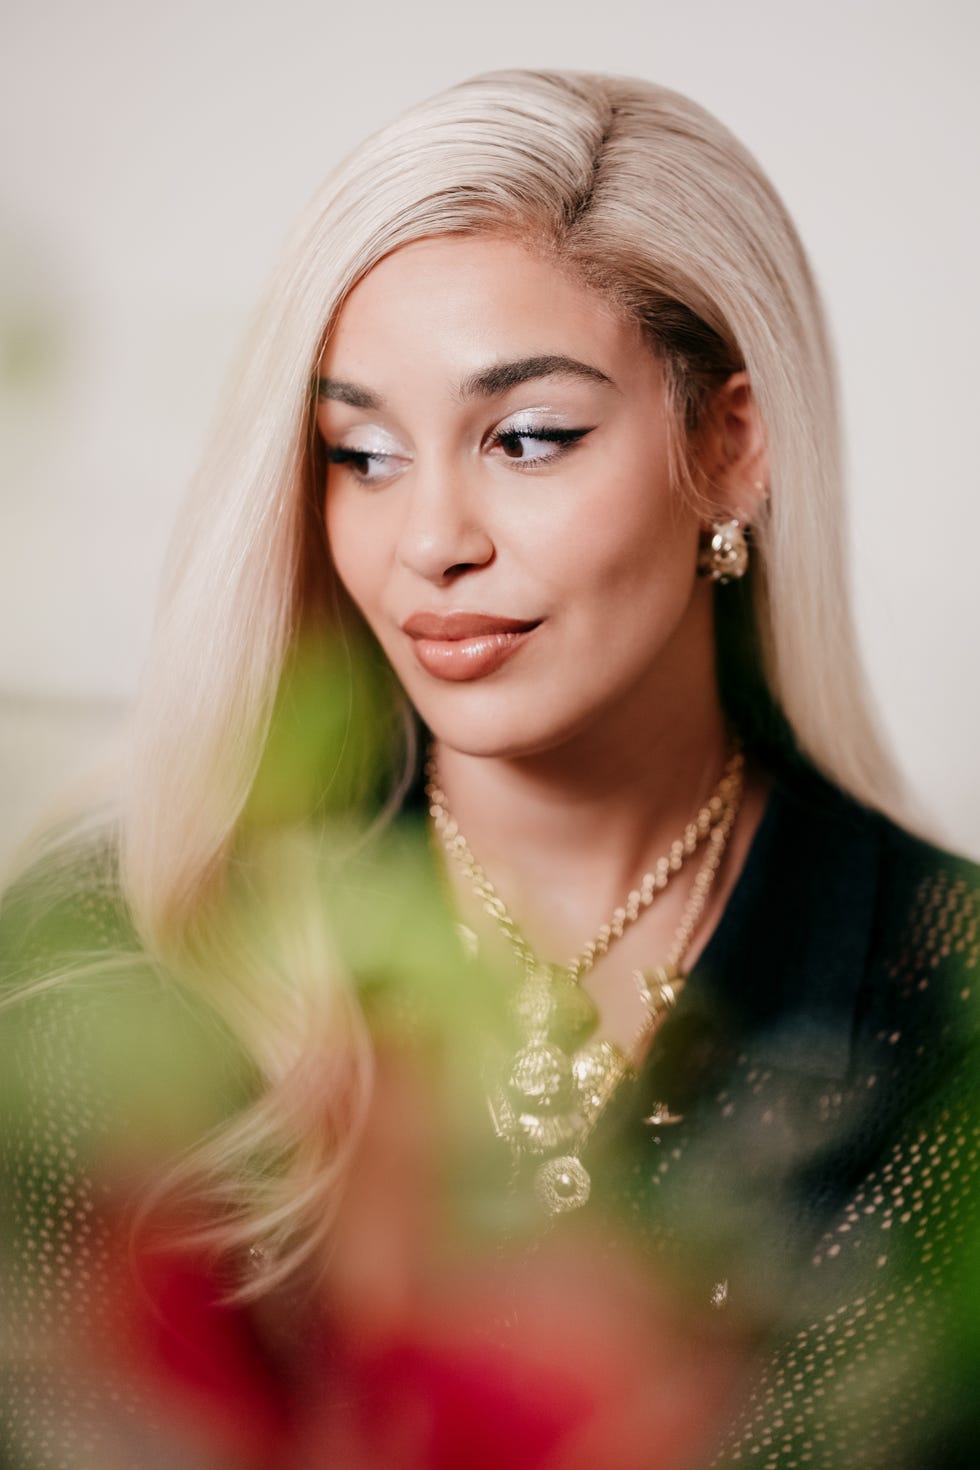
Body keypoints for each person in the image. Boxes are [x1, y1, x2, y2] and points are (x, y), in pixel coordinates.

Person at [1, 68, 977, 1470]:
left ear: (731, 443)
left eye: (526, 437)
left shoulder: (954, 1008)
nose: (431, 539)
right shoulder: (125, 943)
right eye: (363, 452)